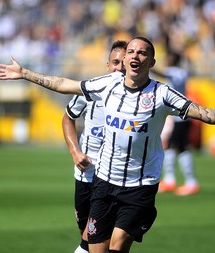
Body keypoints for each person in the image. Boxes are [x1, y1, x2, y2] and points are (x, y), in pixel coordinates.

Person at [0, 36, 215, 253]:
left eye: (142, 52)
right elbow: (63, 84)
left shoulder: (162, 95)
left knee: (118, 244)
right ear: (123, 60)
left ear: (151, 62)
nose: (135, 56)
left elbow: (207, 114)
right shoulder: (105, 84)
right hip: (104, 183)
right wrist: (25, 74)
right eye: (131, 51)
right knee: (96, 249)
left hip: (140, 186)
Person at [62, 40, 127, 253]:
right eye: (115, 62)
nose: (120, 68)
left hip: (112, 178)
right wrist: (75, 151)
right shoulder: (92, 89)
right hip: (85, 174)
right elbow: (68, 118)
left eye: (124, 63)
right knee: (90, 239)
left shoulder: (138, 98)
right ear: (108, 65)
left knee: (96, 238)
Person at [152, 50, 199, 196]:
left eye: (169, 57)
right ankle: (170, 180)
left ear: (174, 59)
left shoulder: (175, 71)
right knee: (173, 147)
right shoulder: (182, 72)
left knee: (181, 148)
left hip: (181, 117)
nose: (167, 59)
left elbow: (163, 74)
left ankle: (191, 182)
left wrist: (147, 65)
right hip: (179, 117)